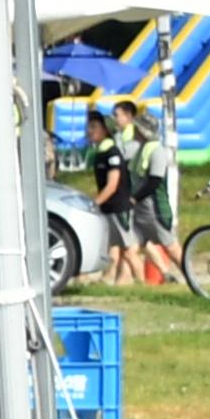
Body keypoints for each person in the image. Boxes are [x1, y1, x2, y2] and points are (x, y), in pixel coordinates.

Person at [119, 101, 181, 285]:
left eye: (138, 129)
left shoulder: (157, 152)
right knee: (131, 247)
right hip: (139, 209)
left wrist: (134, 197)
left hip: (154, 209)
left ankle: (190, 278)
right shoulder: (140, 151)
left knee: (171, 246)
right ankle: (154, 280)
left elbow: (154, 181)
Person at [85, 104, 139, 284]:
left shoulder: (111, 153)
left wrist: (95, 203)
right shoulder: (100, 153)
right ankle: (113, 279)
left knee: (129, 251)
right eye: (89, 126)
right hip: (109, 207)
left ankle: (145, 283)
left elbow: (112, 184)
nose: (89, 130)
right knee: (114, 248)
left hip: (119, 207)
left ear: (105, 130)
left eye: (94, 127)